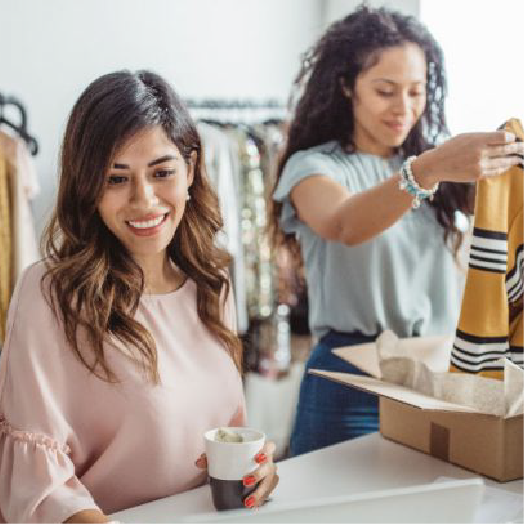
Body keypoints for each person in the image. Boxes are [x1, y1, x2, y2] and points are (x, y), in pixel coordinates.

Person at [0, 70, 278, 524]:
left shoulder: (214, 284)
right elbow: (37, 482)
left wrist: (255, 467)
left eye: (162, 172)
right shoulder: (50, 294)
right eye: (116, 178)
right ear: (88, 189)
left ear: (190, 171)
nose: (144, 200)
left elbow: (222, 437)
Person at [270, 4, 524, 457]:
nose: (403, 109)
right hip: (350, 382)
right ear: (348, 87)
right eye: (385, 91)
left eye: (416, 91)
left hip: (439, 378)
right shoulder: (313, 167)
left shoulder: (442, 170)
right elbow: (345, 224)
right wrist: (428, 169)